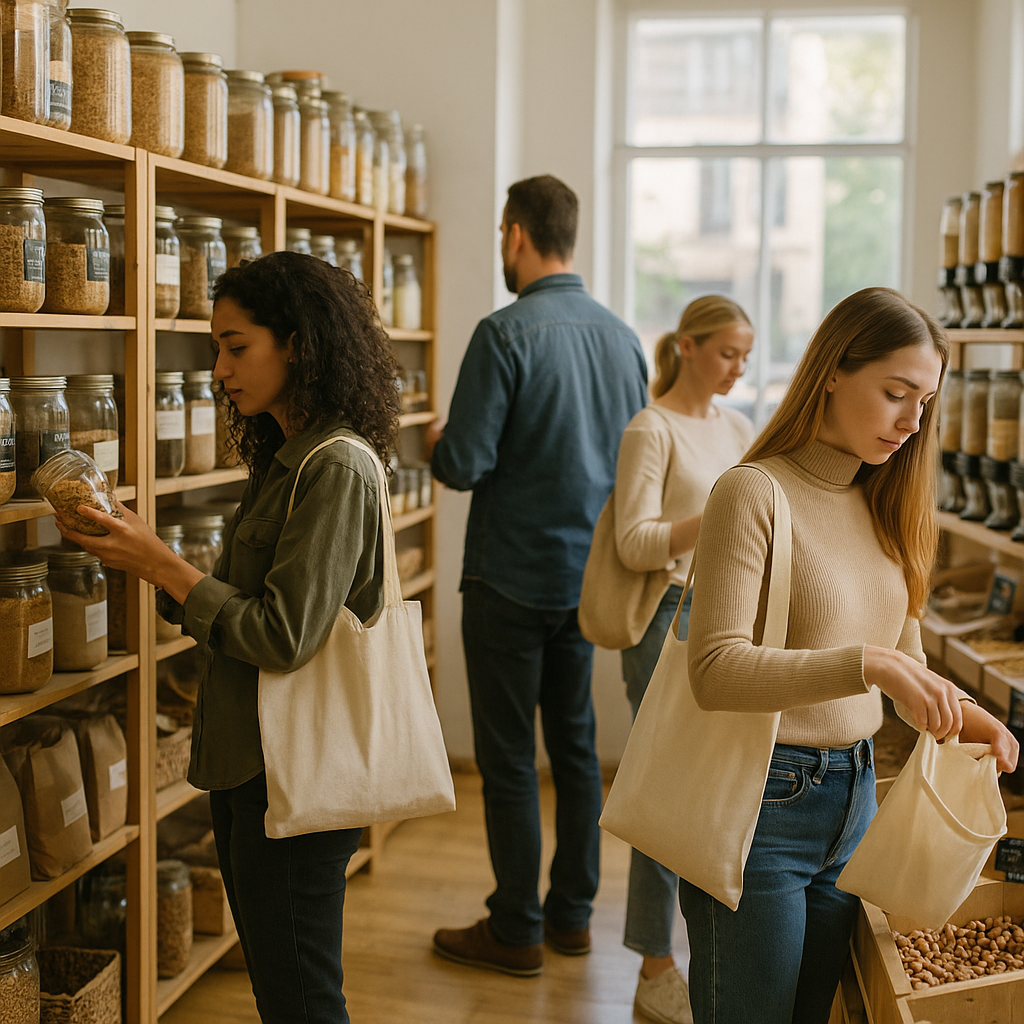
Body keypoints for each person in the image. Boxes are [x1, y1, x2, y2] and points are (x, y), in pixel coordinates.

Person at [56, 251, 401, 1024]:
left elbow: (281, 636)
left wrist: (164, 564)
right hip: (253, 763)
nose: (219, 370)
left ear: (299, 345)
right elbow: (237, 609)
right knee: (284, 988)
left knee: (302, 998)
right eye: (215, 348)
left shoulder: (333, 467)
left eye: (236, 347)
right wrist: (146, 559)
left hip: (295, 772)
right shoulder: (284, 458)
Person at [680, 287, 1019, 1024]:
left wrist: (970, 719)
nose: (912, 421)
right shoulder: (753, 492)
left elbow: (907, 671)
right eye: (896, 393)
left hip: (857, 803)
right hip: (760, 806)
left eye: (924, 401)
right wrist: (865, 663)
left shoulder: (887, 502)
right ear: (833, 370)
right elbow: (713, 670)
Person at [429, 174, 649, 976]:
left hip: (508, 579)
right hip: (587, 583)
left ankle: (515, 927)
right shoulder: (624, 339)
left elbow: (464, 463)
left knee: (511, 760)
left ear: (517, 234)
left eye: (499, 232)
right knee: (579, 750)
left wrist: (434, 438)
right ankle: (573, 918)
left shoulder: (503, 333)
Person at [614, 296, 755, 1024]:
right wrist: (724, 506)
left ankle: (700, 951)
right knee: (662, 797)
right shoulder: (651, 428)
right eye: (729, 353)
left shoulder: (738, 427)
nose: (739, 368)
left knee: (712, 791)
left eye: (746, 356)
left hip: (729, 618)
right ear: (690, 347)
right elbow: (634, 545)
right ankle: (653, 964)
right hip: (667, 620)